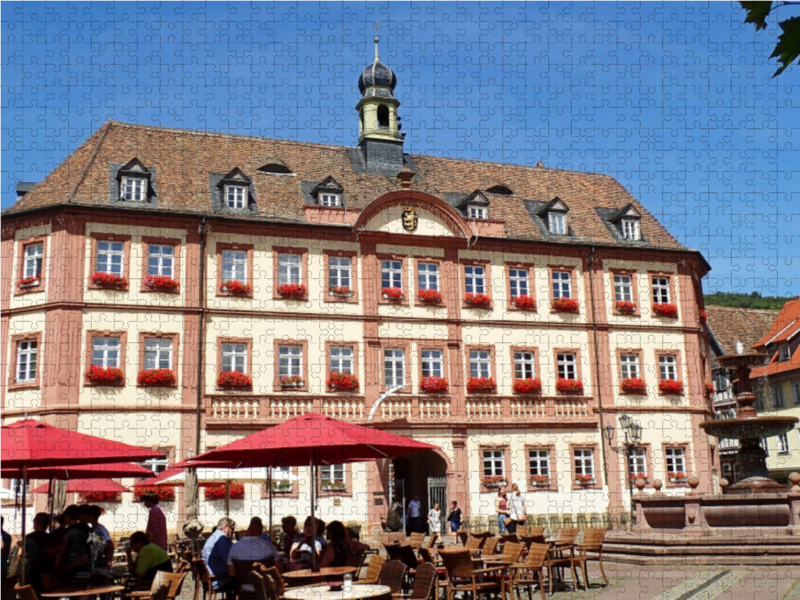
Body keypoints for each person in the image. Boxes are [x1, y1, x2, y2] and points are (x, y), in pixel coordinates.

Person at [227, 517, 281, 591]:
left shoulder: (235, 547)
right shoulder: (269, 545)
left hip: (244, 588)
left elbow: (231, 572)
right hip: (267, 588)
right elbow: (278, 569)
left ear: (248, 530)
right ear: (260, 530)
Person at [29, 528, 68, 595]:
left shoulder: (50, 558)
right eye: (63, 544)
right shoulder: (42, 559)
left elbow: (56, 573)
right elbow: (48, 585)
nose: (64, 547)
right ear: (56, 545)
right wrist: (63, 585)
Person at [201, 518, 236, 592]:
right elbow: (229, 560)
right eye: (232, 529)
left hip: (210, 579)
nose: (233, 532)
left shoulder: (215, 536)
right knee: (247, 581)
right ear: (225, 527)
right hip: (217, 580)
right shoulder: (221, 539)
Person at [62, 505, 91, 578]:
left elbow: (63, 549)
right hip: (86, 562)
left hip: (70, 565)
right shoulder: (86, 528)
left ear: (67, 517)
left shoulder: (67, 532)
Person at [25, 513, 50, 581]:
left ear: (36, 524)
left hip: (31, 570)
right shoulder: (50, 538)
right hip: (47, 569)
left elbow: (22, 552)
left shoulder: (28, 538)